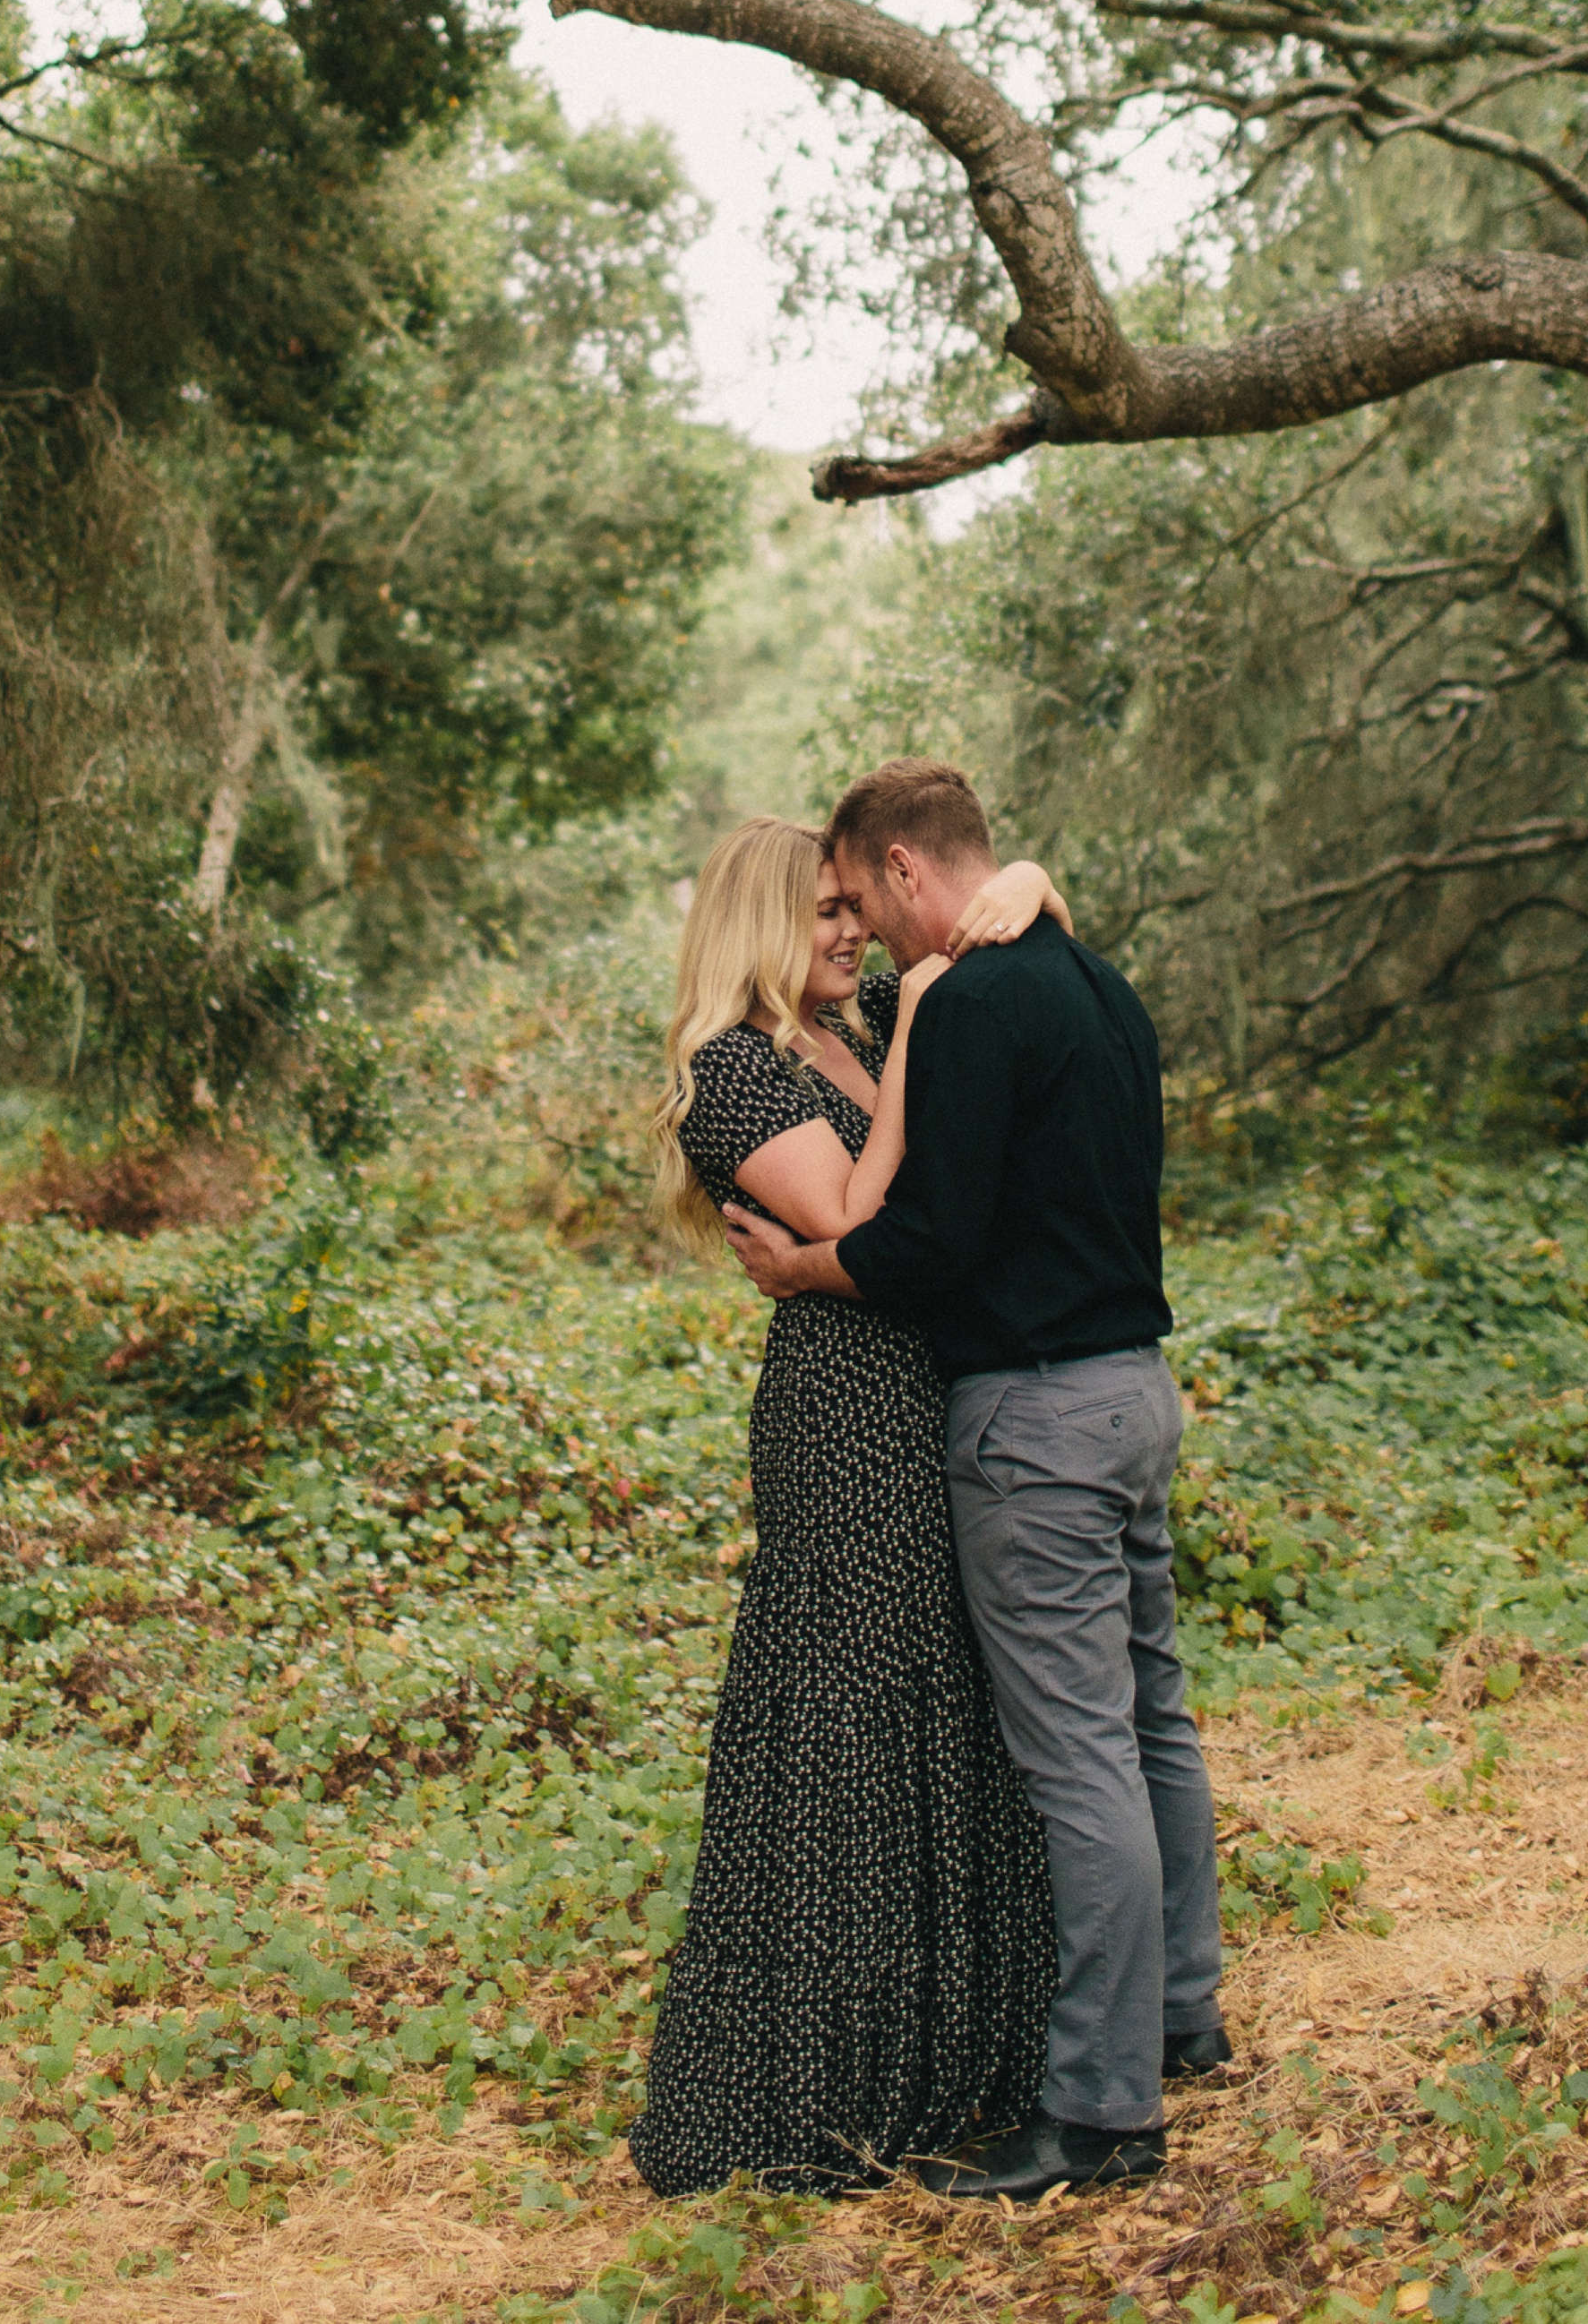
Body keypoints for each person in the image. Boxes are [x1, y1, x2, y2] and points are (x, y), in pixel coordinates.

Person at [722, 759, 1226, 2205]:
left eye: (861, 901)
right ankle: (1182, 2009)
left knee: (1080, 1758)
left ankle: (1102, 2106)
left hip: (1037, 1421)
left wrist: (810, 1266)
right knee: (1154, 1716)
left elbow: (926, 1242)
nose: (866, 939)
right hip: (1137, 1389)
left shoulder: (970, 1005)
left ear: (898, 867)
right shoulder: (1101, 988)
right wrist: (1033, 885)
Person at [626, 813, 1069, 2198]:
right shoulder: (734, 1072)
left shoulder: (861, 1022)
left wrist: (1028, 886)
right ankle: (819, 2079)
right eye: (821, 911)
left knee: (955, 1697)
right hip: (846, 1414)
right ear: (761, 921)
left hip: (933, 1383)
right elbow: (854, 1222)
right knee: (850, 1720)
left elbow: (989, 910)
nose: (851, 932)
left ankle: (960, 2054)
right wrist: (924, 1033)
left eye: (850, 908)